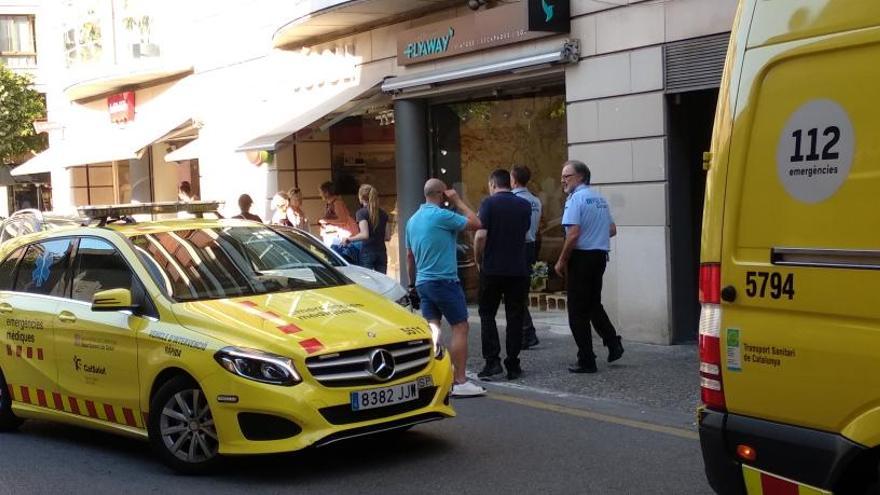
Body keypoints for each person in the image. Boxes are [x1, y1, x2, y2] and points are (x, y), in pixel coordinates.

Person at [406, 178, 485, 397]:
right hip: (444, 280)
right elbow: (477, 223)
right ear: (442, 194)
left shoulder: (412, 220)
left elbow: (409, 256)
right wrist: (458, 201)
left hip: (423, 281)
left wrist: (412, 283)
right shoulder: (442, 216)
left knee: (434, 329)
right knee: (460, 327)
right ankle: (460, 380)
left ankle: (437, 376)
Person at [555, 160, 624, 373]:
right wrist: (595, 234)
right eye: (563, 176)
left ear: (581, 177)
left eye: (567, 176)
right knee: (593, 304)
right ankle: (613, 342)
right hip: (599, 256)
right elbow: (611, 229)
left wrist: (562, 260)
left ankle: (586, 359)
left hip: (582, 258)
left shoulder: (575, 199)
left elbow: (573, 234)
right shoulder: (599, 198)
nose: (563, 181)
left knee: (577, 311)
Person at [474, 169, 531, 381]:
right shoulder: (524, 205)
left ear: (492, 184)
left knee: (487, 314)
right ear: (510, 183)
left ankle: (492, 362)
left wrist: (478, 259)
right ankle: (513, 364)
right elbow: (524, 233)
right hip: (518, 269)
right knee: (515, 316)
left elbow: (480, 236)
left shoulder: (488, 204)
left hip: (493, 268)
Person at [511, 165, 543, 350]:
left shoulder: (514, 200)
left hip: (518, 247)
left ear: (513, 180)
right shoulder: (536, 201)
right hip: (531, 246)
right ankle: (527, 332)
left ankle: (527, 332)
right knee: (520, 292)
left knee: (516, 294)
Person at [343, 184, 391, 274]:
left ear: (361, 197)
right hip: (381, 252)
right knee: (382, 282)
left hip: (367, 251)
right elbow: (388, 237)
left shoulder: (361, 213)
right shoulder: (384, 214)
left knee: (367, 282)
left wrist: (349, 239)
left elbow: (365, 235)